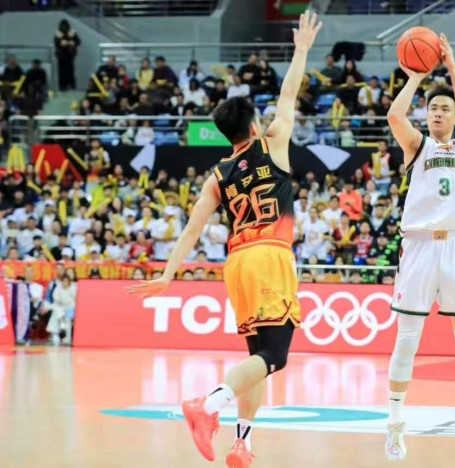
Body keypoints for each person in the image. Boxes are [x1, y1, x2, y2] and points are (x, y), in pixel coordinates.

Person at [128, 12, 322, 468]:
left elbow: (192, 229)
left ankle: (242, 443)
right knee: (275, 356)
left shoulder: (217, 175)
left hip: (237, 265)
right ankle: (207, 405)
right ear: (254, 127)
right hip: (270, 257)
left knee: (257, 358)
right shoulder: (273, 143)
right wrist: (301, 49)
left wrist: (168, 274)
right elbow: (289, 93)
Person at [384, 34, 455, 460]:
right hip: (419, 247)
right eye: (433, 108)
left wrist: (451, 67)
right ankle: (395, 423)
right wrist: (414, 76)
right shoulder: (417, 145)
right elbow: (395, 115)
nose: (439, 112)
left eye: (445, 108)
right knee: (408, 337)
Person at [54, 19, 80, 91]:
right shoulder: (58, 33)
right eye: (63, 26)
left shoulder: (72, 33)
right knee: (61, 72)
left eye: (65, 26)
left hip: (70, 55)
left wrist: (72, 43)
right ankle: (62, 87)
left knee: (70, 71)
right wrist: (61, 43)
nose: (64, 28)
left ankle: (72, 86)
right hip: (61, 56)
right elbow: (56, 43)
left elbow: (78, 41)